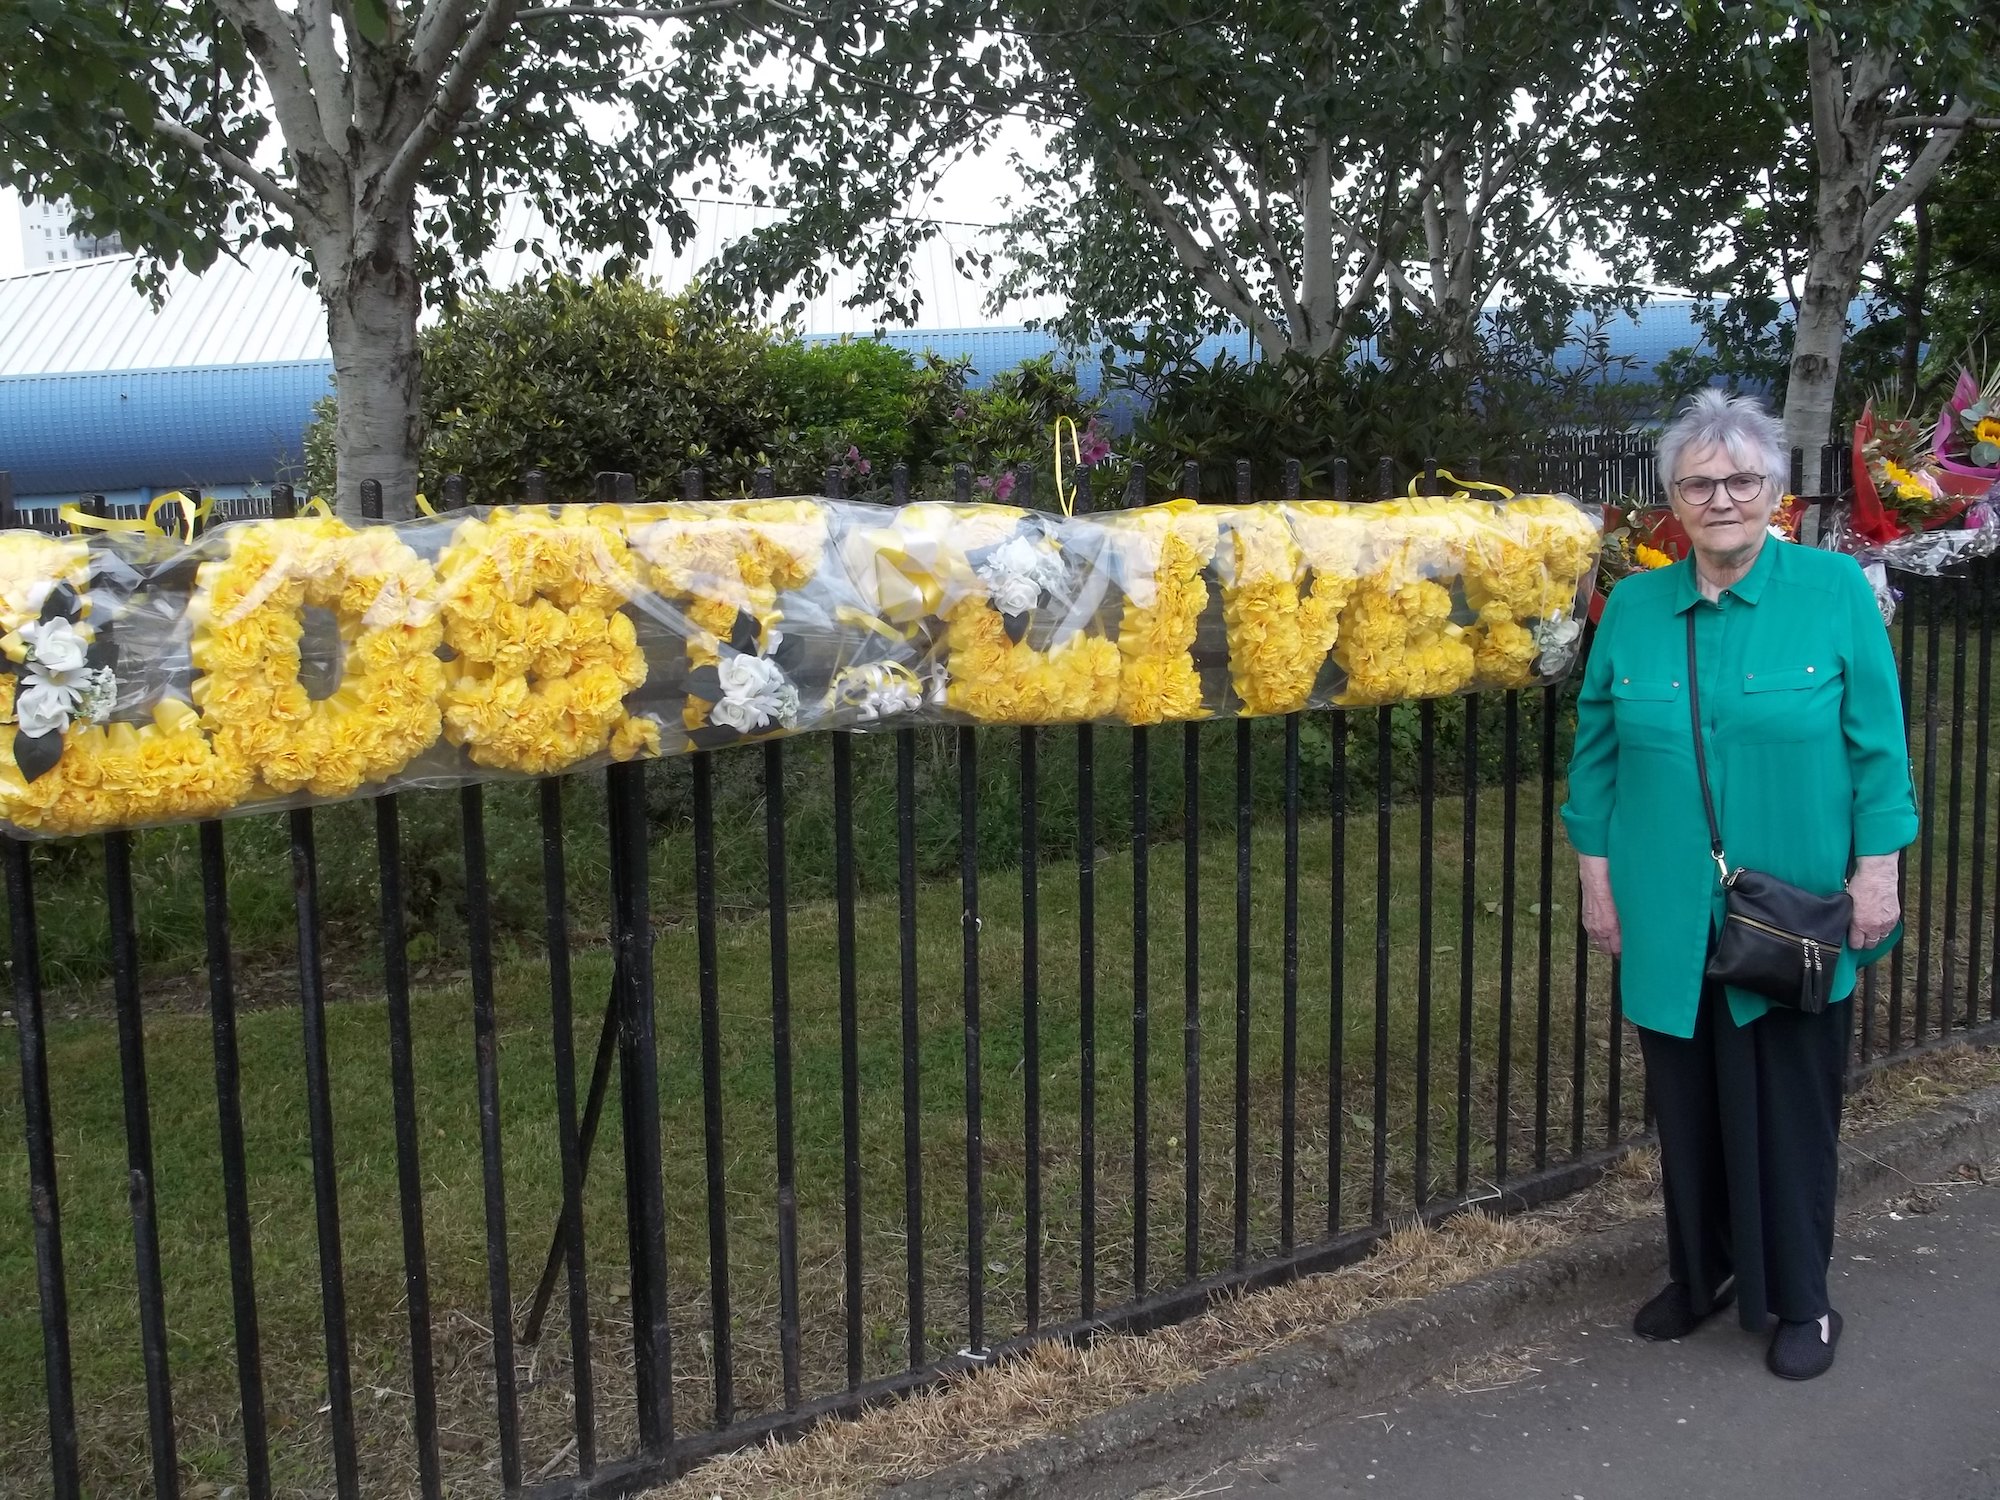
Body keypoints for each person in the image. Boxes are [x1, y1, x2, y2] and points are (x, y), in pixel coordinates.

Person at [1561, 389, 1916, 1381]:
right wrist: (1596, 880)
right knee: (1685, 1107)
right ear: (1671, 499)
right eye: (1698, 483)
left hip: (1791, 907)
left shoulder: (1833, 593)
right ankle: (1702, 1270)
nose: (1720, 498)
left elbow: (1876, 747)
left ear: (1773, 492)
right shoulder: (1632, 606)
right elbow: (1592, 758)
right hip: (1666, 908)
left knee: (1789, 1110)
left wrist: (1875, 874)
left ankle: (1800, 1299)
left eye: (1740, 480)